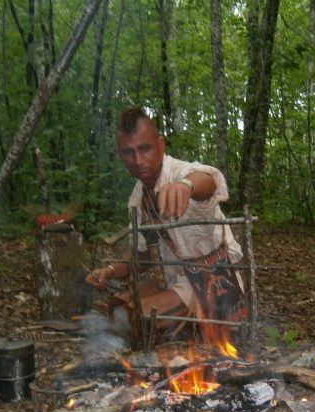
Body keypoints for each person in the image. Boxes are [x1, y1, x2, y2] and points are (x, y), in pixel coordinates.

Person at [86, 107, 246, 345]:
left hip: (212, 278)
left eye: (145, 149)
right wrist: (109, 270)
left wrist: (185, 187)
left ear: (161, 145)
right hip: (175, 278)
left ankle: (183, 346)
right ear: (120, 154)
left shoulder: (180, 173)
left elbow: (208, 181)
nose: (138, 160)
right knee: (117, 307)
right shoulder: (138, 199)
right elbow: (141, 256)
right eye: (128, 152)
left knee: (138, 317)